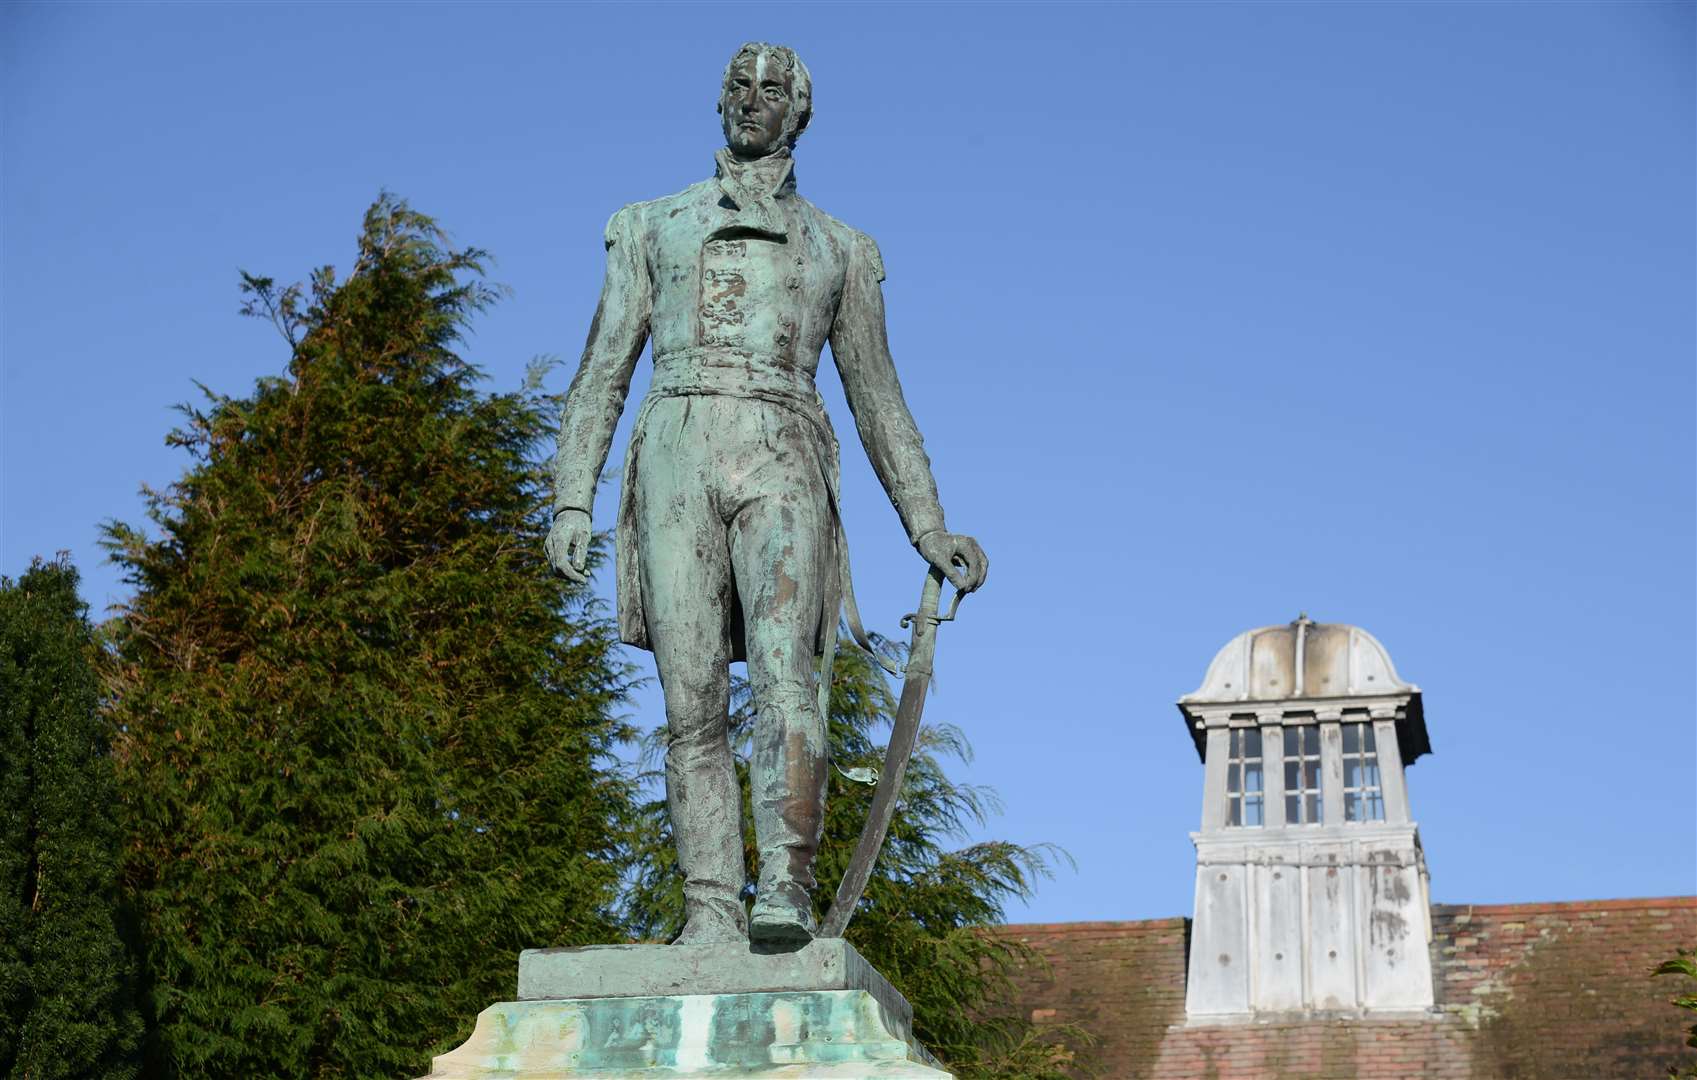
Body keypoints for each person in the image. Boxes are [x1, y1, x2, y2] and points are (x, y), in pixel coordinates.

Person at [546, 41, 987, 945]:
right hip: (673, 450)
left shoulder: (841, 249)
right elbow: (600, 371)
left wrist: (926, 522)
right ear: (719, 104)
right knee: (691, 699)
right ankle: (709, 907)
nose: (753, 101)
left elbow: (876, 394)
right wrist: (570, 498)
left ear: (800, 113)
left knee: (790, 680)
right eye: (738, 88)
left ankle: (783, 886)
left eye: (773, 90)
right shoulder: (649, 226)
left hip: (783, 448)